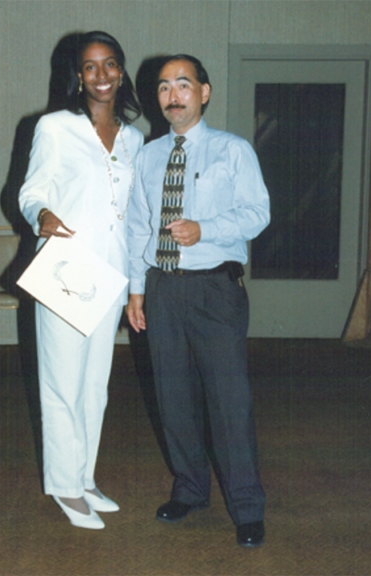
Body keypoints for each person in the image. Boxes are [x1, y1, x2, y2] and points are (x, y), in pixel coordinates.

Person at [126, 54, 270, 548]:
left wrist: (206, 229)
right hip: (162, 287)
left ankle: (247, 507)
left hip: (214, 288)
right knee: (174, 397)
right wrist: (136, 290)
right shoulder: (146, 157)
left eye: (183, 85)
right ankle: (190, 488)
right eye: (164, 87)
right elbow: (136, 228)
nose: (173, 95)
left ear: (203, 93)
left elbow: (257, 214)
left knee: (229, 402)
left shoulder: (233, 151)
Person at [18, 31, 144, 530]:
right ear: (76, 75)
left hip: (111, 274)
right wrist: (41, 214)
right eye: (90, 67)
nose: (101, 76)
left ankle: (85, 477)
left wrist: (137, 281)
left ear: (121, 70)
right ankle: (65, 488)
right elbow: (30, 191)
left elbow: (133, 214)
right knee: (61, 385)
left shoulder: (134, 137)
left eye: (110, 64)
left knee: (96, 386)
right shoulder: (54, 127)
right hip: (67, 270)